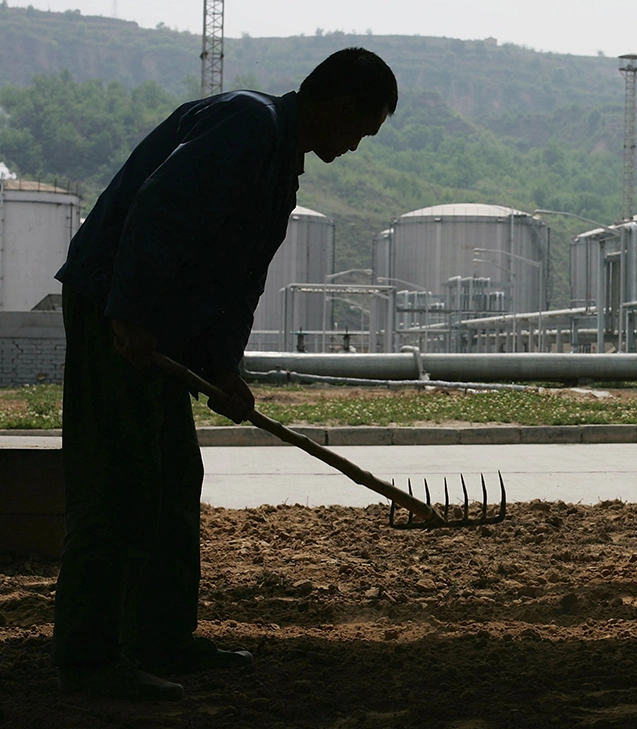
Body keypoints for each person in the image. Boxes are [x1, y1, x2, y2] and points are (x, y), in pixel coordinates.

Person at [51, 47, 398, 702]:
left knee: (176, 475)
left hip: (150, 321)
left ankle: (163, 638)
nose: (355, 147)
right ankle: (88, 660)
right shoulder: (247, 124)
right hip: (113, 307)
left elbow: (238, 281)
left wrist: (225, 368)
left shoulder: (280, 169)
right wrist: (128, 314)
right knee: (117, 480)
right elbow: (158, 209)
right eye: (362, 130)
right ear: (341, 106)